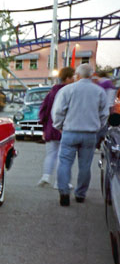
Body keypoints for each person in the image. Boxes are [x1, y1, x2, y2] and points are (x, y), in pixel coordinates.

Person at [52, 63, 109, 206]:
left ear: (77, 75)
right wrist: (97, 126)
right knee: (85, 165)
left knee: (64, 162)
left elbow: (59, 111)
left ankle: (64, 192)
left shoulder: (68, 90)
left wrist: (59, 126)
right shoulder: (99, 92)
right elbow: (104, 114)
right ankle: (80, 194)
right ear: (92, 75)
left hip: (70, 131)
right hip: (90, 134)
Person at [37, 66, 75, 188]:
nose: (75, 79)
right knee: (63, 156)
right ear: (68, 78)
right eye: (73, 76)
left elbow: (43, 110)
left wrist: (44, 128)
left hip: (50, 127)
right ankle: (60, 182)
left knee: (50, 153)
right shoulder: (71, 91)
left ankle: (46, 176)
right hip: (65, 127)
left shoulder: (52, 92)